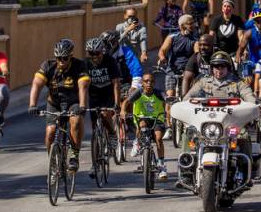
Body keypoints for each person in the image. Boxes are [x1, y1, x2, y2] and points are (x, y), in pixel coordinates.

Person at [28, 39, 89, 171]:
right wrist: (32, 104)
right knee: (50, 132)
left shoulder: (79, 65)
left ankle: (74, 155)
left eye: (64, 58)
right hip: (54, 103)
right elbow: (36, 84)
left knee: (76, 121)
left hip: (73, 102)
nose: (61, 61)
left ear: (71, 56)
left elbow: (83, 86)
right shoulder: (48, 66)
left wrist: (82, 106)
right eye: (58, 58)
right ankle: (53, 160)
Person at [83, 36, 121, 177]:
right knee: (95, 131)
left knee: (105, 115)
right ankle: (94, 165)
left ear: (102, 52)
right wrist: (81, 104)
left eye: (97, 54)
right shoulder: (86, 63)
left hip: (108, 94)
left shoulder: (110, 61)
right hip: (94, 96)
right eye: (91, 54)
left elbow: (116, 83)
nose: (94, 57)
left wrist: (117, 104)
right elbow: (83, 85)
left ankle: (112, 133)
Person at [121, 73, 169, 180]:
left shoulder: (158, 93)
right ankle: (137, 142)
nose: (149, 83)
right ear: (142, 83)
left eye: (151, 81)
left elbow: (167, 99)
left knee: (158, 138)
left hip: (157, 119)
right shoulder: (138, 93)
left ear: (154, 83)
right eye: (146, 81)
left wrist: (171, 104)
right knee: (141, 125)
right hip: (141, 118)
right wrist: (123, 110)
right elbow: (126, 102)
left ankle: (161, 165)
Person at [238, 9, 261, 89]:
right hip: (252, 61)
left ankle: (259, 94)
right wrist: (238, 59)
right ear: (254, 22)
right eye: (257, 21)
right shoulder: (249, 33)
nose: (260, 23)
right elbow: (240, 49)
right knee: (248, 79)